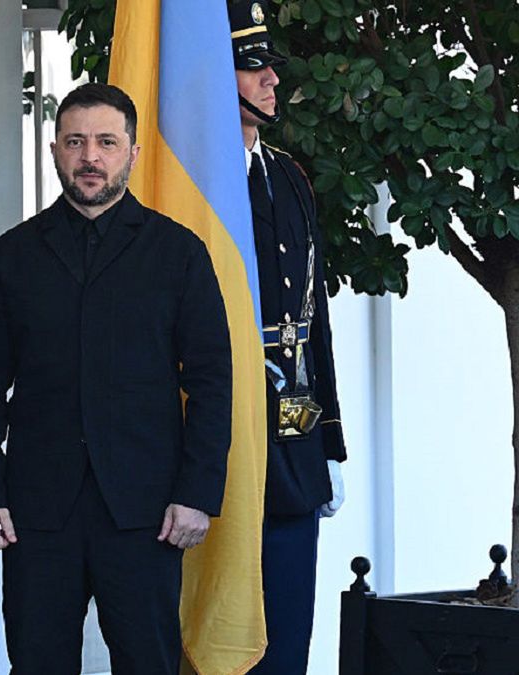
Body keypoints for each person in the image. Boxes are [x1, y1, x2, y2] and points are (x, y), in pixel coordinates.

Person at [0, 82, 233, 675]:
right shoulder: (11, 257)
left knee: (148, 663)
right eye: (76, 142)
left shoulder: (179, 253)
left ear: (132, 152)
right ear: (55, 150)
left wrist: (197, 493)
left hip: (147, 511)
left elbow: (212, 380)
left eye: (106, 142)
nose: (90, 157)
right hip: (35, 511)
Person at [228, 1, 348, 672]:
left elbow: (313, 318)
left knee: (287, 638)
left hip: (294, 440)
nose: (272, 78)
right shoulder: (191, 186)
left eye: (271, 64)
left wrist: (329, 439)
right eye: (254, 68)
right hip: (219, 440)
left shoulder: (291, 177)